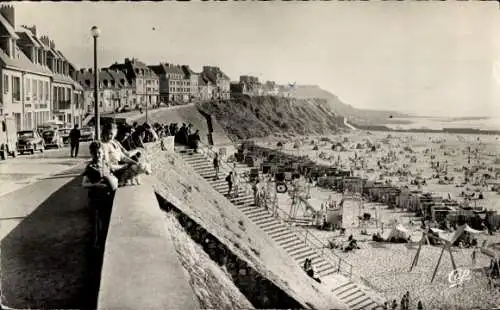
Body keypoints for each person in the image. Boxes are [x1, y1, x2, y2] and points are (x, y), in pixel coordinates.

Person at [81, 141, 118, 248]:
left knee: (106, 222)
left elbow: (113, 172)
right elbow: (84, 184)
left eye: (100, 153)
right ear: (91, 154)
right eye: (95, 153)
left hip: (108, 197)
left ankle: (104, 244)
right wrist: (96, 184)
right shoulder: (90, 167)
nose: (98, 155)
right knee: (96, 224)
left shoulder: (105, 164)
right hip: (96, 199)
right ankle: (96, 247)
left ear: (103, 153)